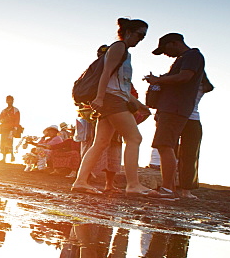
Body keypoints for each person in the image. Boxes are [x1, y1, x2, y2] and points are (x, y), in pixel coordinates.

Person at [71, 18, 153, 195]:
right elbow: (106, 73)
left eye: (144, 36)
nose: (141, 39)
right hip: (111, 100)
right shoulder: (119, 47)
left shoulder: (124, 51)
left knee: (101, 142)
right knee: (134, 138)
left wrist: (139, 105)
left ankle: (80, 181)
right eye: (140, 34)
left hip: (113, 99)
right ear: (129, 32)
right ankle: (133, 185)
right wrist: (99, 97)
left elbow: (121, 86)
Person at [144, 33, 206, 200]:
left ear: (175, 43)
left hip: (174, 108)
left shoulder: (192, 55)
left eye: (165, 49)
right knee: (168, 146)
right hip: (176, 108)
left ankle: (168, 189)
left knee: (165, 145)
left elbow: (185, 77)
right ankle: (171, 189)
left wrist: (159, 80)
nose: (165, 53)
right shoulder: (187, 58)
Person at [175, 74, 214, 199]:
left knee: (173, 152)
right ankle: (185, 190)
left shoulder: (183, 83)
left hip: (177, 117)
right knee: (190, 157)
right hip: (193, 120)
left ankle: (173, 188)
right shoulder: (202, 86)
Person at [0, 95, 21, 162]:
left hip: (11, 129)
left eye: (10, 100)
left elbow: (17, 120)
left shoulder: (15, 110)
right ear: (6, 101)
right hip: (4, 129)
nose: (9, 101)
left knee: (9, 142)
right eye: (8, 100)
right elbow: (0, 119)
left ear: (13, 101)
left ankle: (12, 156)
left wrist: (15, 128)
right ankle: (4, 158)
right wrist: (3, 120)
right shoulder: (4, 111)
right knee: (3, 142)